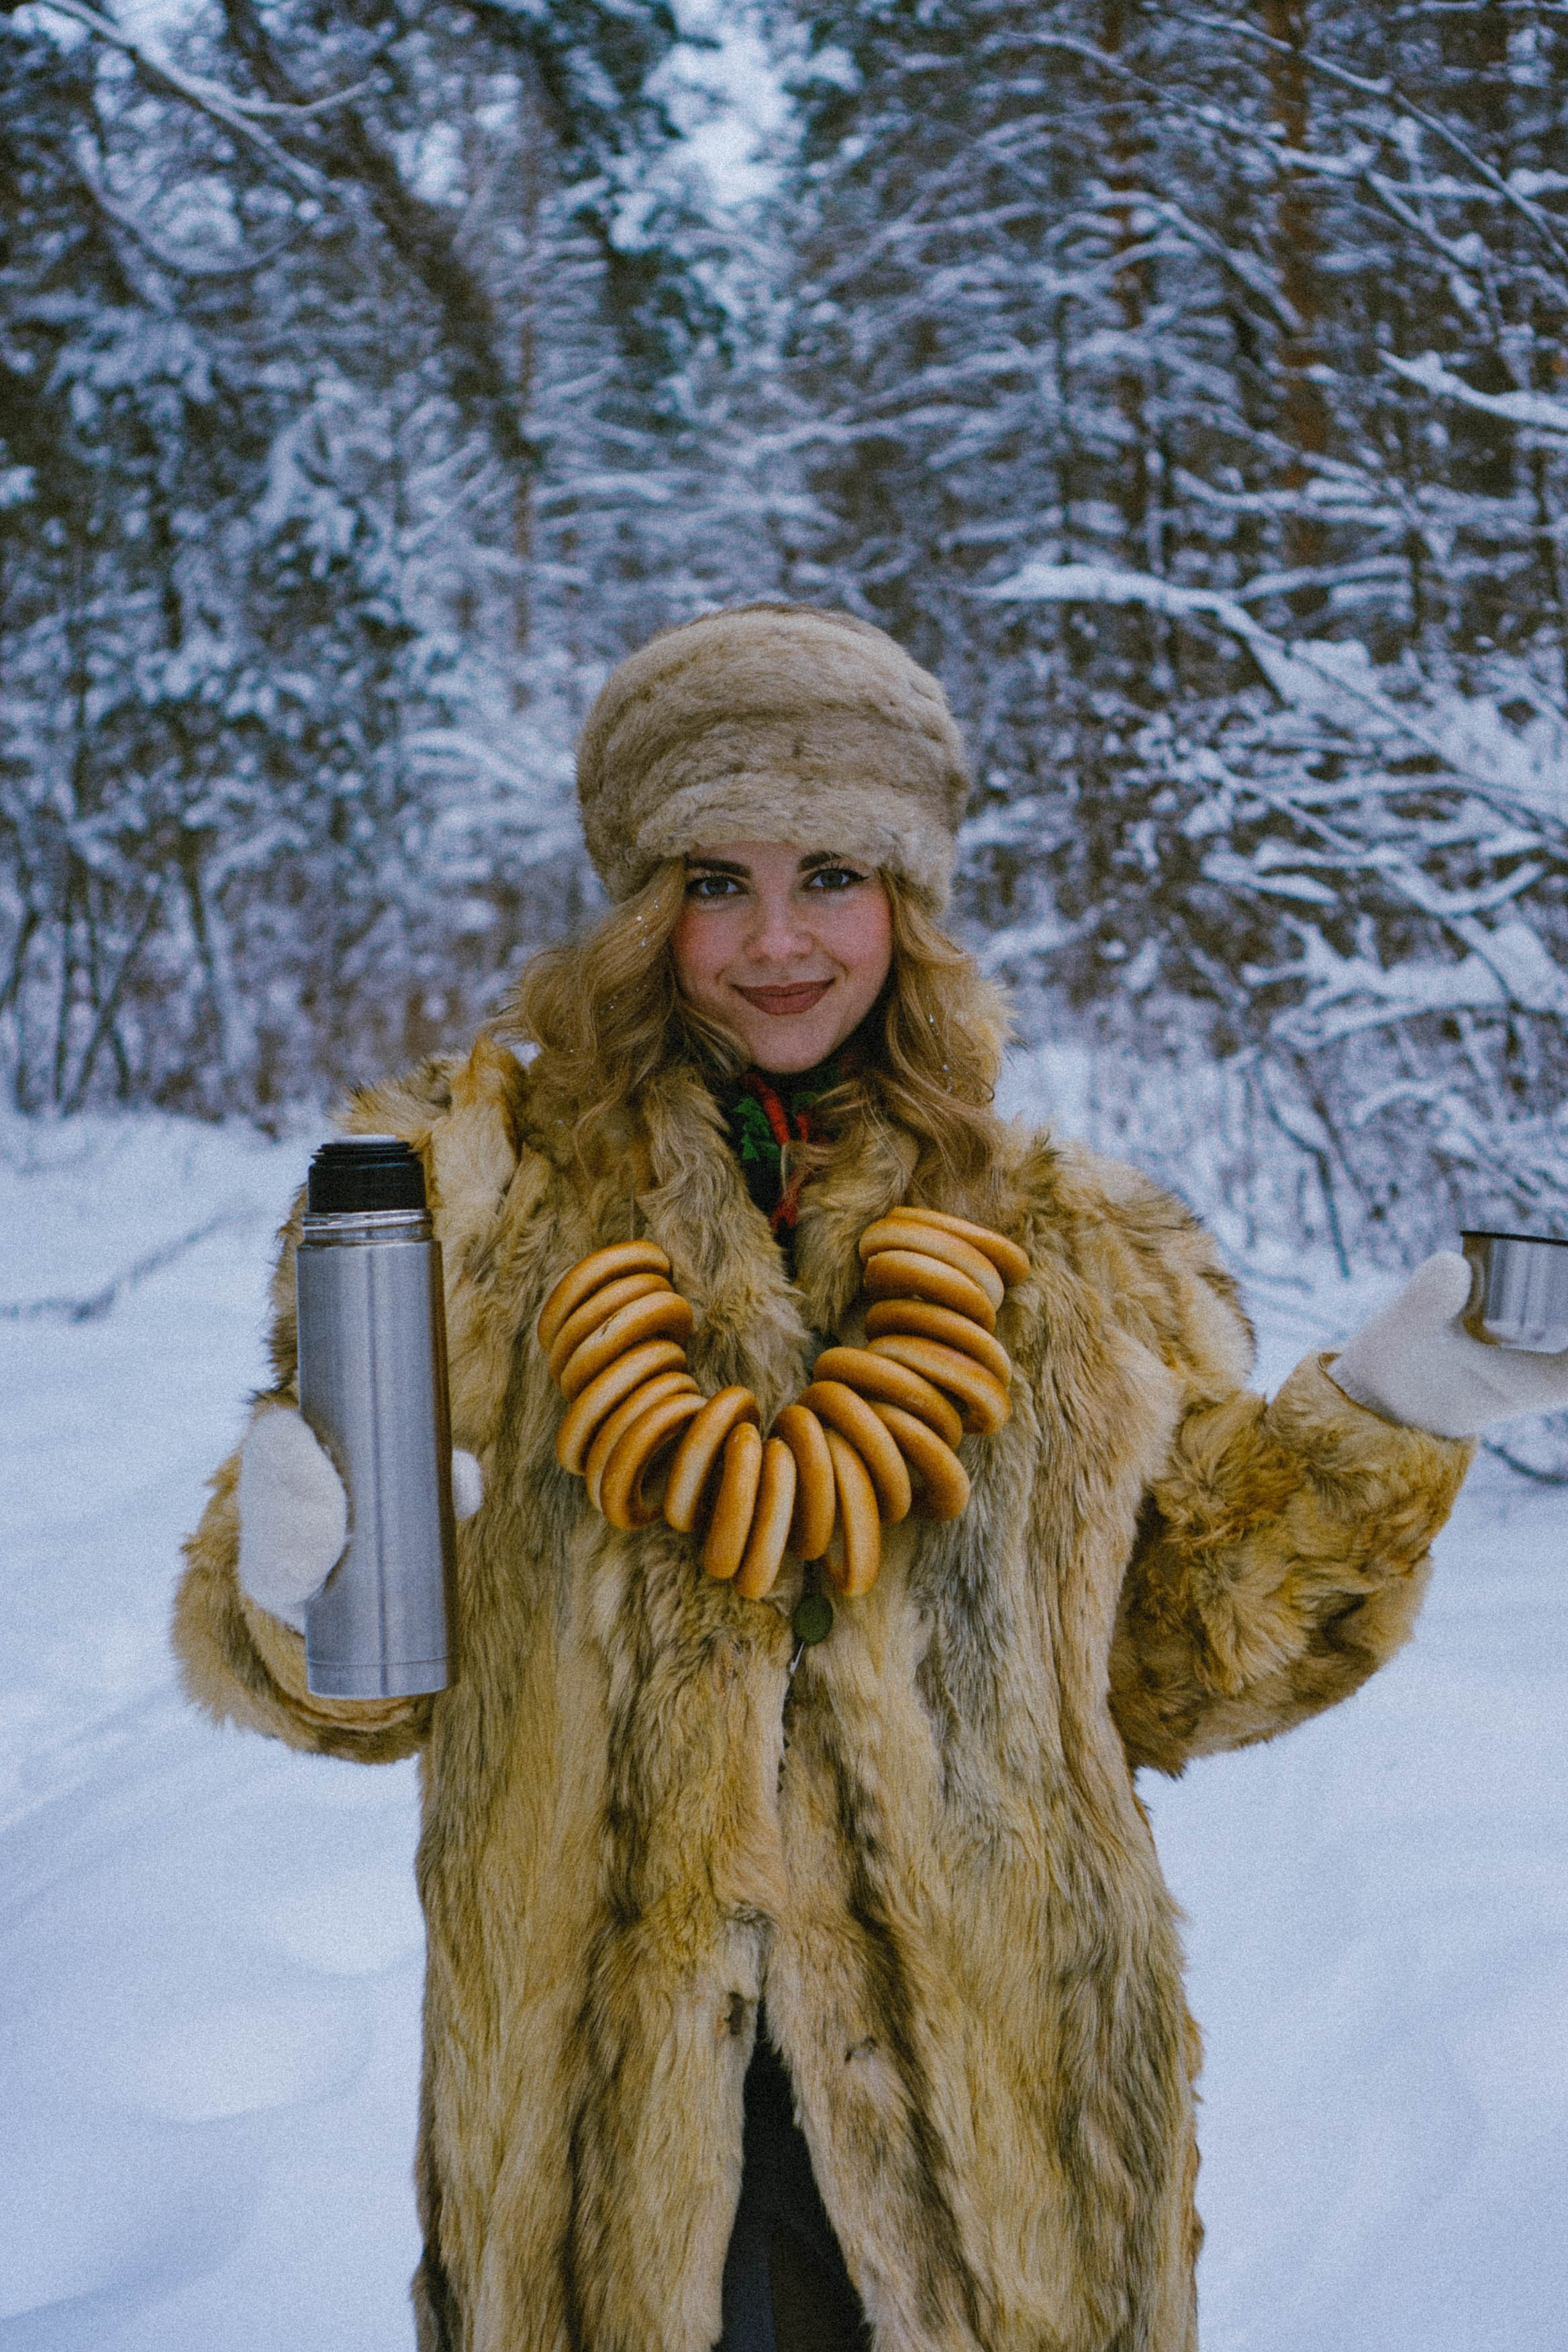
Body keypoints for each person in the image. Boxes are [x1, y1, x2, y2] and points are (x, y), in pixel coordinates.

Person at [175, 603, 1568, 2352]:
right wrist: (287, 1582)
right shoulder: (477, 1221)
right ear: (642, 910)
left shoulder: (1078, 1243)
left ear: (909, 900)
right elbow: (341, 1681)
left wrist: (1381, 1420)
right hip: (598, 2144)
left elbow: (1187, 1669)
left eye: (830, 872)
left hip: (1004, 2134)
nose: (775, 940)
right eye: (713, 880)